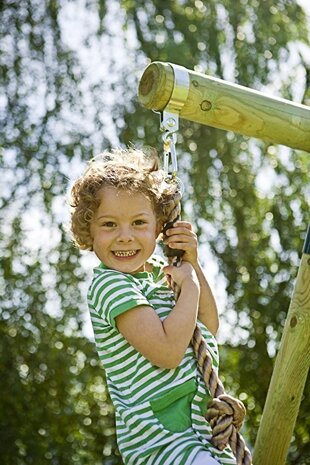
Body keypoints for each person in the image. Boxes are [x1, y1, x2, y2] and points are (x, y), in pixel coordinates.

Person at [69, 147, 236, 465]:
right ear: (88, 229)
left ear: (159, 227)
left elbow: (207, 326)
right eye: (109, 225)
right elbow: (169, 352)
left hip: (203, 435)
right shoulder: (109, 285)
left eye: (138, 222)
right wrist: (189, 285)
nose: (125, 236)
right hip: (162, 445)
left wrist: (192, 265)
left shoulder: (162, 271)